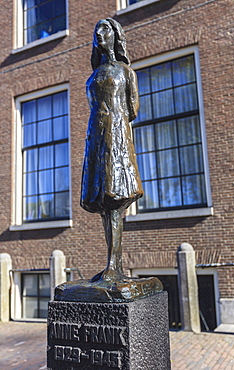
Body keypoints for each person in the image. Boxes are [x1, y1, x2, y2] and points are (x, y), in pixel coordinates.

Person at [80, 18, 143, 282]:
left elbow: (133, 109)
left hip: (116, 137)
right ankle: (111, 264)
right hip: (96, 137)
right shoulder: (92, 76)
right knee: (105, 205)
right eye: (97, 30)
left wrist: (114, 128)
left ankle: (114, 265)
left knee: (115, 200)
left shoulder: (126, 73)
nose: (99, 33)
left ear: (117, 36)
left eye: (106, 29)